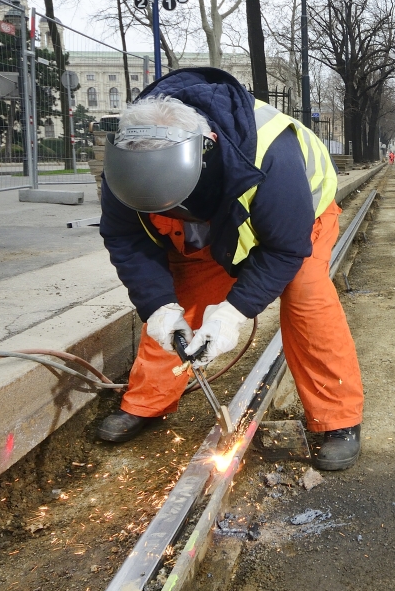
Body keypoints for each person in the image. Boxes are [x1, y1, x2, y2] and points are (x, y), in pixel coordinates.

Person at [94, 67, 364, 471]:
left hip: (299, 221)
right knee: (178, 305)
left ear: (206, 149)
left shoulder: (271, 151)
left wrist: (234, 313)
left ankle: (337, 419)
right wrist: (158, 308)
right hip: (212, 225)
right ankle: (146, 403)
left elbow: (285, 249)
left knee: (307, 296)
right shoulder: (128, 165)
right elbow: (125, 239)